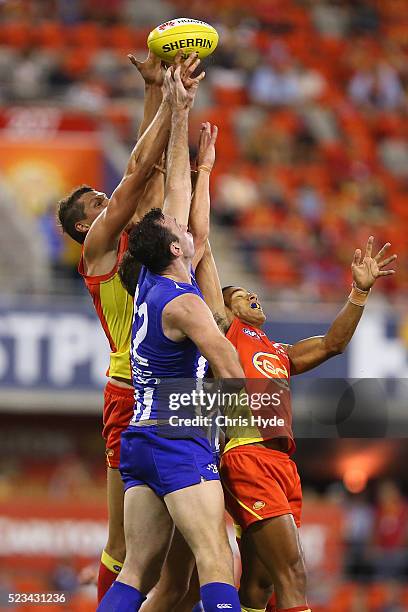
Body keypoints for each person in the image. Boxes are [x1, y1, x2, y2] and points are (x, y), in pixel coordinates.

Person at [57, 51, 203, 604]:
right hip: (130, 392)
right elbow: (137, 174)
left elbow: (149, 172)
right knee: (126, 546)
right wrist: (170, 101)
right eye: (96, 202)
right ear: (83, 226)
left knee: (185, 543)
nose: (106, 197)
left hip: (171, 386)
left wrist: (153, 93)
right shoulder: (98, 249)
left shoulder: (129, 241)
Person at [98, 66, 245, 612]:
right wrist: (249, 427)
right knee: (216, 560)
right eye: (183, 231)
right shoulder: (186, 304)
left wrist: (182, 112)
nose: (190, 228)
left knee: (137, 570)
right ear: (179, 249)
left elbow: (176, 190)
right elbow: (230, 365)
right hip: (178, 436)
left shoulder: (155, 282)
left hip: (142, 437)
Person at [195, 236, 397, 612]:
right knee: (293, 574)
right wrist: (200, 233)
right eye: (240, 294)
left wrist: (359, 293)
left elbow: (332, 344)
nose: (252, 295)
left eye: (252, 291)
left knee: (261, 583)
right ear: (223, 308)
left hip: (282, 464)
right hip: (248, 456)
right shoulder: (225, 332)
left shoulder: (278, 351)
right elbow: (206, 266)